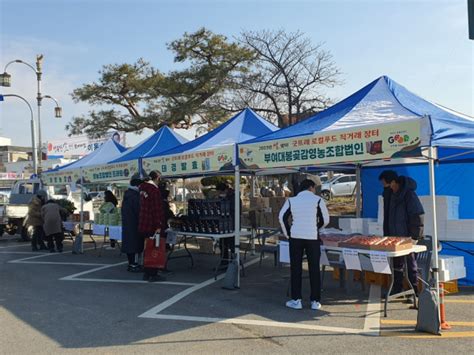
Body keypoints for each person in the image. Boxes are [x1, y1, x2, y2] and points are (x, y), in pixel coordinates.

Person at [279, 179, 330, 311]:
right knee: (314, 269)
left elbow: (282, 217)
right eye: (314, 188)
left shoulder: (291, 200)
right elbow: (326, 220)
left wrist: (288, 234)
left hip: (295, 237)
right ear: (311, 187)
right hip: (312, 237)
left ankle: (296, 300)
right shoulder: (318, 200)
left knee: (295, 269)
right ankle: (315, 301)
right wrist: (316, 227)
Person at [385, 174, 425, 296]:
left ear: (396, 183)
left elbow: (418, 215)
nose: (390, 187)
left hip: (407, 237)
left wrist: (415, 236)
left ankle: (414, 290)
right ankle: (398, 288)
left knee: (410, 263)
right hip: (395, 237)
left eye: (391, 185)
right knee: (396, 264)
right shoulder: (393, 195)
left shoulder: (409, 195)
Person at [139, 171, 165, 282]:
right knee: (154, 248)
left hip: (143, 222)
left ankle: (146, 272)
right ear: (157, 178)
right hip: (152, 223)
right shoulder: (154, 190)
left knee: (147, 248)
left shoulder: (142, 188)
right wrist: (158, 224)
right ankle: (152, 274)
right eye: (160, 178)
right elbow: (156, 209)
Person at [121, 174, 144, 272]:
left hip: (127, 224)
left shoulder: (127, 195)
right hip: (135, 224)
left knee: (130, 244)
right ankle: (134, 265)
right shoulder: (135, 196)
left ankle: (131, 264)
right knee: (135, 245)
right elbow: (139, 211)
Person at [378, 170, 398, 236]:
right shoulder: (387, 192)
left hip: (395, 227)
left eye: (383, 182)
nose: (382, 184)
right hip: (389, 224)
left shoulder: (393, 193)